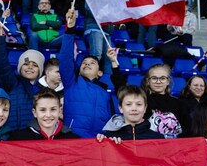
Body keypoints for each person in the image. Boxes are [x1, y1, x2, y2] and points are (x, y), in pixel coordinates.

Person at [60, 8, 114, 138]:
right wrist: (70, 30)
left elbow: (112, 121)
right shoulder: (72, 83)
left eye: (92, 63)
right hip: (73, 138)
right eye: (84, 63)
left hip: (98, 142)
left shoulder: (105, 93)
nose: (87, 64)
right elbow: (66, 59)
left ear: (100, 73)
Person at [111, 60, 189, 138]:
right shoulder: (141, 100)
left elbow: (187, 131)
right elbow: (122, 89)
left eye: (162, 78)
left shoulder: (179, 104)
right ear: (148, 81)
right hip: (147, 146)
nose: (158, 82)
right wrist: (114, 63)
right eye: (154, 78)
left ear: (168, 81)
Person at [0, 33, 44, 131]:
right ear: (20, 68)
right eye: (26, 64)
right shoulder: (13, 83)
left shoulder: (44, 91)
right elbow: (2, 64)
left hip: (32, 138)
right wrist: (1, 37)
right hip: (10, 136)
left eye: (35, 65)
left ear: (40, 70)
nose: (30, 67)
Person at [98, 85, 165, 141]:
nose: (134, 109)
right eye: (128, 104)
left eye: (138, 104)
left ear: (145, 108)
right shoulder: (109, 137)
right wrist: (106, 144)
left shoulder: (158, 139)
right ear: (120, 108)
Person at [9, 88, 79, 140]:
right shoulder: (19, 138)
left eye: (53, 109)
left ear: (59, 111)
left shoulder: (72, 139)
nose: (48, 115)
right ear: (34, 113)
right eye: (43, 110)